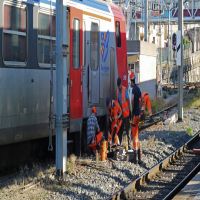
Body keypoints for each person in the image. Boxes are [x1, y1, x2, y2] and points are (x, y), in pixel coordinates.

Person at [116, 77, 131, 149]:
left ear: (120, 84)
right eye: (117, 85)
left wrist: (130, 110)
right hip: (121, 115)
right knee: (120, 131)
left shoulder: (125, 90)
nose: (118, 87)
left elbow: (128, 100)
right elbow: (118, 103)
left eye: (119, 85)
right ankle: (120, 145)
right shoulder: (117, 91)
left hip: (126, 114)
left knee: (128, 131)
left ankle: (130, 145)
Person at [130, 75, 142, 164]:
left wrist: (132, 112)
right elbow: (141, 101)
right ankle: (139, 157)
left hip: (135, 115)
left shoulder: (134, 89)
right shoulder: (139, 89)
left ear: (131, 81)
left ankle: (135, 158)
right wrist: (140, 111)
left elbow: (132, 101)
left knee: (134, 135)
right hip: (138, 115)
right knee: (137, 135)